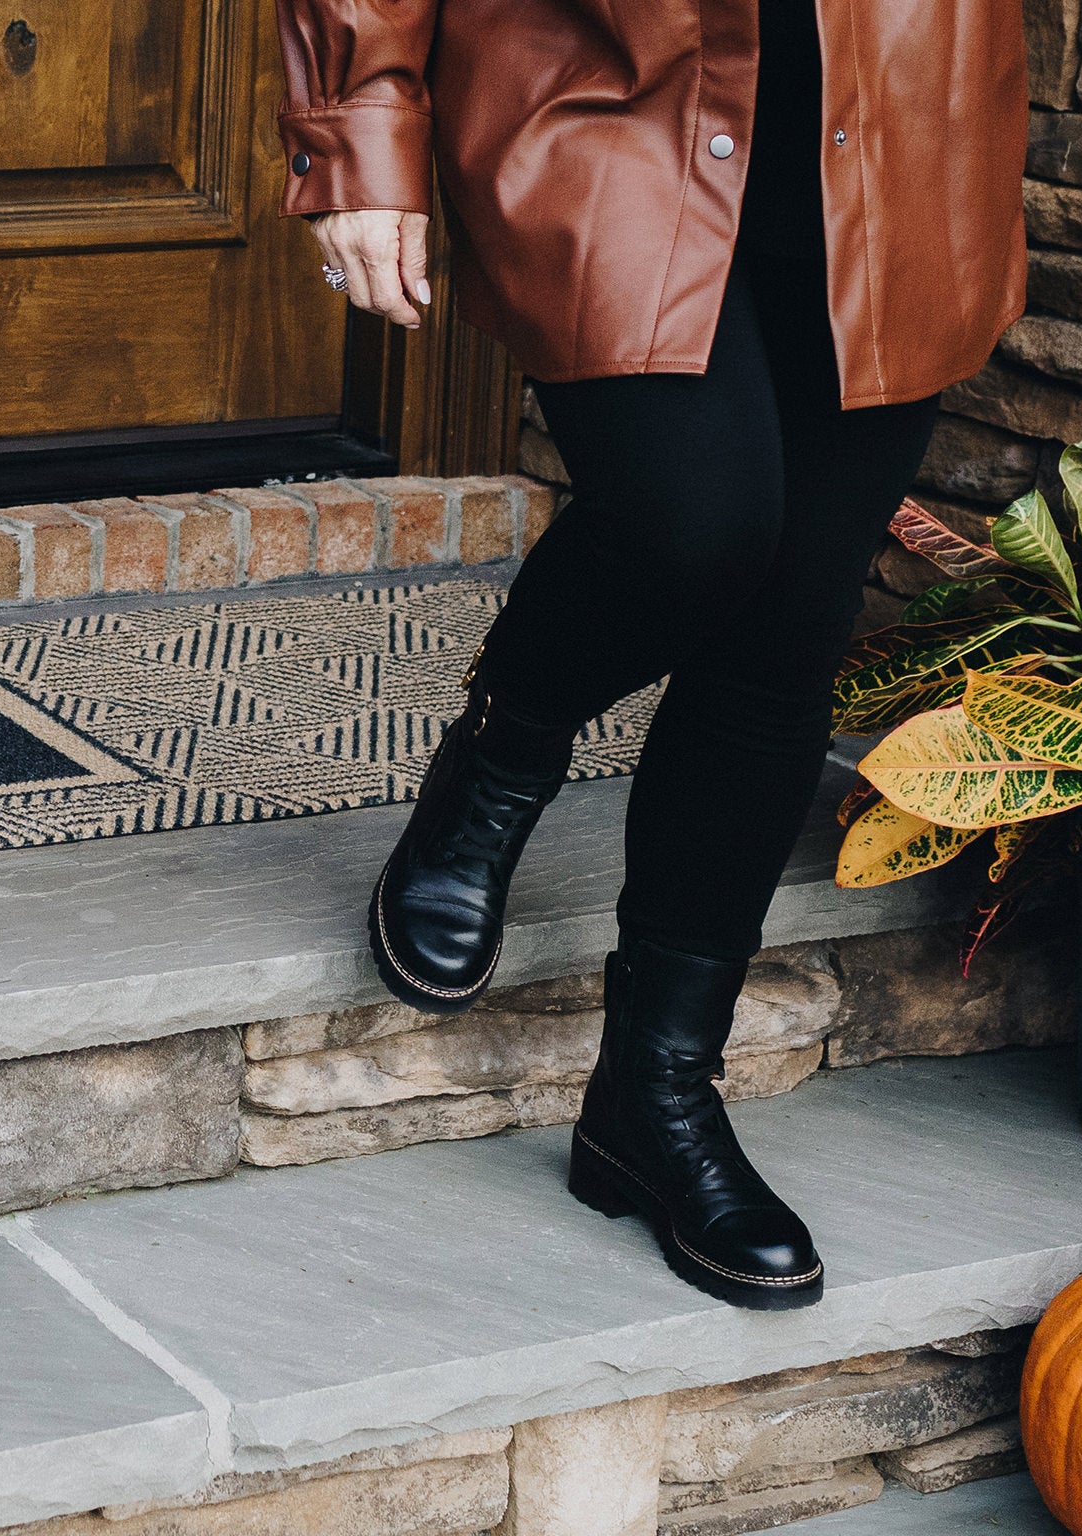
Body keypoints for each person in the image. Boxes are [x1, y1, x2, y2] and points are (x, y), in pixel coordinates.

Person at [278, 0, 1026, 1308]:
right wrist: (360, 136)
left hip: (904, 107)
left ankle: (654, 1102)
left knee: (791, 629)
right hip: (606, 91)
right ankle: (505, 750)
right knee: (696, 526)